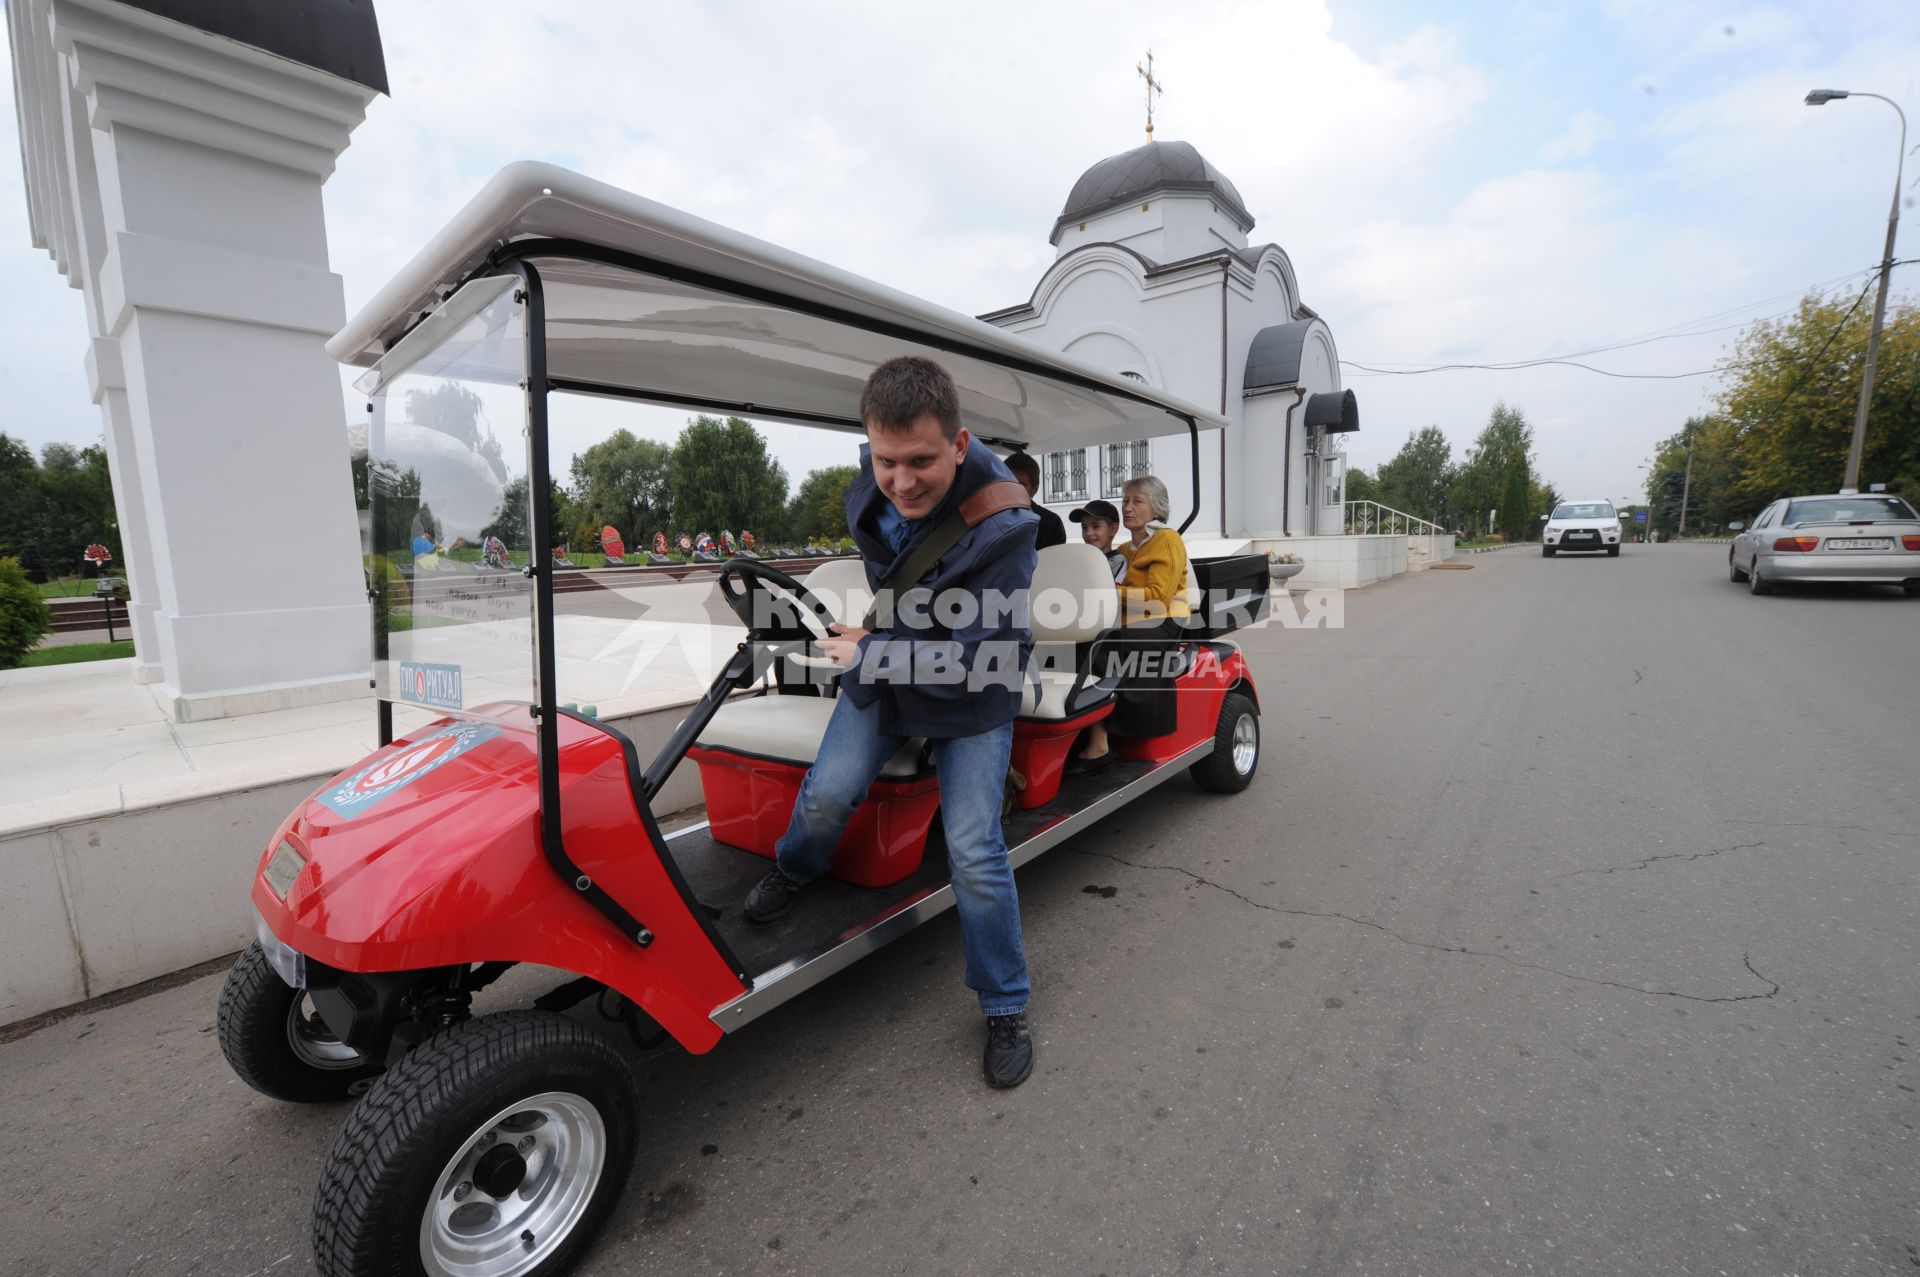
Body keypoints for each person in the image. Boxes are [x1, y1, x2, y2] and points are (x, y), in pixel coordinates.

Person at [741, 355, 1042, 1089]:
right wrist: (880, 634)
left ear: (960, 443)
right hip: (892, 662)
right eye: (886, 460)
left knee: (973, 846)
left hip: (972, 691)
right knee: (827, 793)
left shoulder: (1006, 527)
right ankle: (795, 867)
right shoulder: (871, 489)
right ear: (869, 444)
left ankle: (1006, 1002)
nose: (902, 481)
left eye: (921, 461)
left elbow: (981, 660)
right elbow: (900, 573)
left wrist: (875, 647)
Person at [1068, 475, 1190, 773]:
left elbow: (1158, 598)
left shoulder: (1167, 539)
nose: (1128, 508)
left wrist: (1106, 593)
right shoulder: (1124, 549)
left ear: (1156, 508)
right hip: (1127, 623)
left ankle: (1099, 743)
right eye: (1125, 501)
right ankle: (1085, 731)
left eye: (1137, 501)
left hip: (1162, 622)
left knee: (1096, 644)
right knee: (1074, 641)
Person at [1004, 451, 1066, 549]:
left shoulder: (1051, 524)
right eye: (1007, 482)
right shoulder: (987, 519)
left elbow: (1054, 561)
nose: (1012, 489)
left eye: (1020, 484)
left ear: (1034, 489)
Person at [1069, 498, 1128, 582]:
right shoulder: (1080, 562)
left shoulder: (1117, 562)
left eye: (1096, 526)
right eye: (1084, 527)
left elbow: (1109, 592)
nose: (1088, 533)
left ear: (1113, 529)